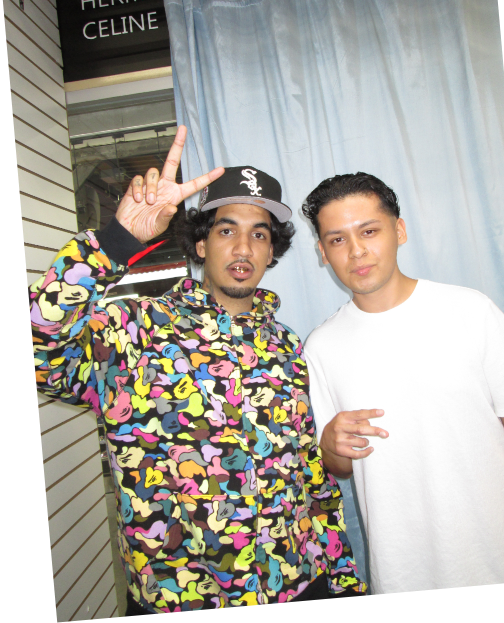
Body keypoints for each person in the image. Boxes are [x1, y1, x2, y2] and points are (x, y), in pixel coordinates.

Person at [31, 127, 366, 613]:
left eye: (259, 234)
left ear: (272, 251)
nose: (243, 248)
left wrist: (342, 577)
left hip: (300, 582)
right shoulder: (134, 332)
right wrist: (116, 242)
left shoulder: (289, 347)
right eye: (226, 230)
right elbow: (42, 344)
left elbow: (311, 478)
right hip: (182, 596)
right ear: (202, 243)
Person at [301, 172, 504, 594]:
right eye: (338, 239)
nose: (356, 251)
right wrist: (329, 444)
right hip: (400, 573)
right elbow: (338, 466)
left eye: (369, 231)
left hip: (503, 562)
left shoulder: (471, 312)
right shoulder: (320, 347)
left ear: (399, 231)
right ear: (323, 252)